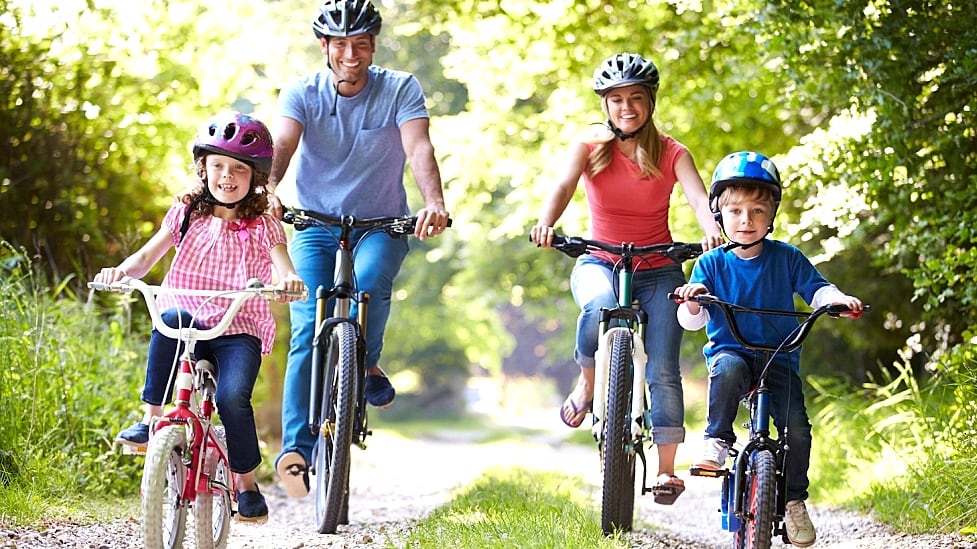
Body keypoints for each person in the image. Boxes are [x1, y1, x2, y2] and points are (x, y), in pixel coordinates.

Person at [265, 0, 450, 498]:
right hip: (315, 224)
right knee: (307, 323)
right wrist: (268, 189)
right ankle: (295, 451)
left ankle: (364, 361)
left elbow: (419, 148)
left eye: (361, 44)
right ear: (324, 47)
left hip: (382, 223)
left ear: (373, 45)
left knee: (369, 285)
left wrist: (433, 202)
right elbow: (282, 145)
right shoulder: (302, 91)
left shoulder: (400, 87)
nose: (352, 54)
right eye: (341, 44)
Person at [529, 52, 725, 505]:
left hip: (659, 271)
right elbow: (561, 186)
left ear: (650, 101)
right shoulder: (590, 146)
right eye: (616, 99)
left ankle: (666, 471)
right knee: (597, 306)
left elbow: (698, 198)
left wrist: (711, 225)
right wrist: (546, 222)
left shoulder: (673, 152)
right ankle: (588, 380)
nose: (626, 107)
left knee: (662, 368)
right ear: (605, 105)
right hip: (600, 261)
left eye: (636, 98)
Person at [93, 111, 306, 523]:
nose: (227, 176)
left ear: (256, 177)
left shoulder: (263, 225)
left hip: (237, 327)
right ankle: (152, 419)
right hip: (187, 320)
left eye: (239, 169)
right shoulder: (187, 212)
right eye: (218, 166)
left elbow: (284, 267)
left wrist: (290, 281)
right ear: (204, 168)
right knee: (168, 317)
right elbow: (146, 257)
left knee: (231, 398)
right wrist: (119, 272)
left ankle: (245, 484)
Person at [672, 151, 864, 547]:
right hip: (734, 352)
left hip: (779, 356)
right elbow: (692, 321)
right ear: (719, 214)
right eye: (736, 211)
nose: (746, 220)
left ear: (772, 213)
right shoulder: (710, 263)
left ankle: (794, 501)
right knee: (725, 370)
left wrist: (837, 299)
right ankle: (718, 440)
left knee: (797, 429)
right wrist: (694, 298)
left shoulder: (787, 257)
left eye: (758, 211)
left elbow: (817, 289)